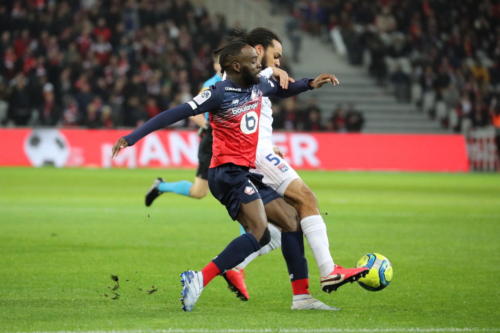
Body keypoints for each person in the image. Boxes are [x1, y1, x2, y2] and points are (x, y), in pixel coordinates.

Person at [112, 41, 356, 311]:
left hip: (246, 171)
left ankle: (302, 298)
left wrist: (310, 84)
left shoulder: (256, 85)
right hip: (226, 173)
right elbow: (175, 113)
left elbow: (282, 89)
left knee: (290, 221)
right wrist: (131, 138)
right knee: (260, 233)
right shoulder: (218, 93)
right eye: (253, 60)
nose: (260, 64)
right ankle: (199, 278)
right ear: (237, 66)